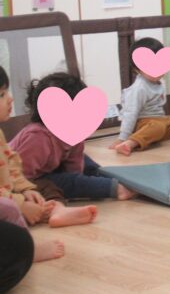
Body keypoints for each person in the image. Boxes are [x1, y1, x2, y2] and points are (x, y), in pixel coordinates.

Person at [10, 72, 136, 200]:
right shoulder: (38, 137)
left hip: (48, 168)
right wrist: (79, 184)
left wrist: (81, 179)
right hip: (19, 179)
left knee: (87, 164)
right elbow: (20, 176)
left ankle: (116, 179)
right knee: (65, 182)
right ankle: (113, 188)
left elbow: (75, 168)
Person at [0, 67, 98, 229]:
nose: (10, 99)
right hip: (13, 190)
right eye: (2, 95)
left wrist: (25, 189)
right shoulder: (37, 136)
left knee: (87, 165)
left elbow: (12, 166)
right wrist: (21, 203)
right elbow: (25, 171)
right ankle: (55, 211)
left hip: (14, 185)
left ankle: (56, 209)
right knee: (44, 188)